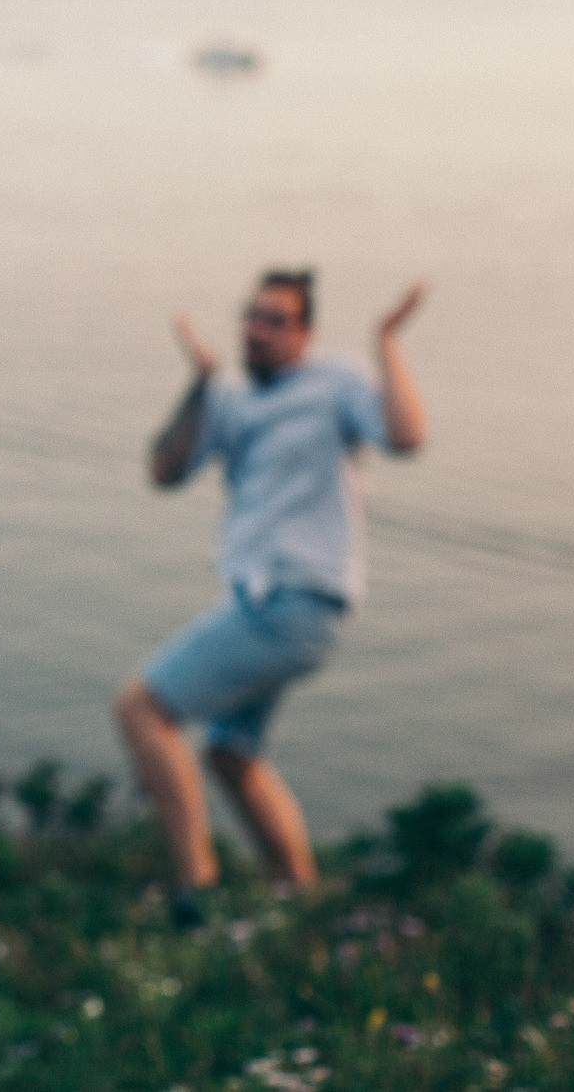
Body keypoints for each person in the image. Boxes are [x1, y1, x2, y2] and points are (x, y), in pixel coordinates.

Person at [115, 269, 428, 925]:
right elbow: (163, 471)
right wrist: (198, 382)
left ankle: (195, 890)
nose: (258, 330)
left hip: (296, 601)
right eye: (252, 316)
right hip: (265, 601)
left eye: (276, 319)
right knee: (231, 755)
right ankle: (300, 904)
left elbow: (405, 435)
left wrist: (386, 340)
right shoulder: (229, 397)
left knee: (143, 708)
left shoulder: (335, 384)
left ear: (305, 332)